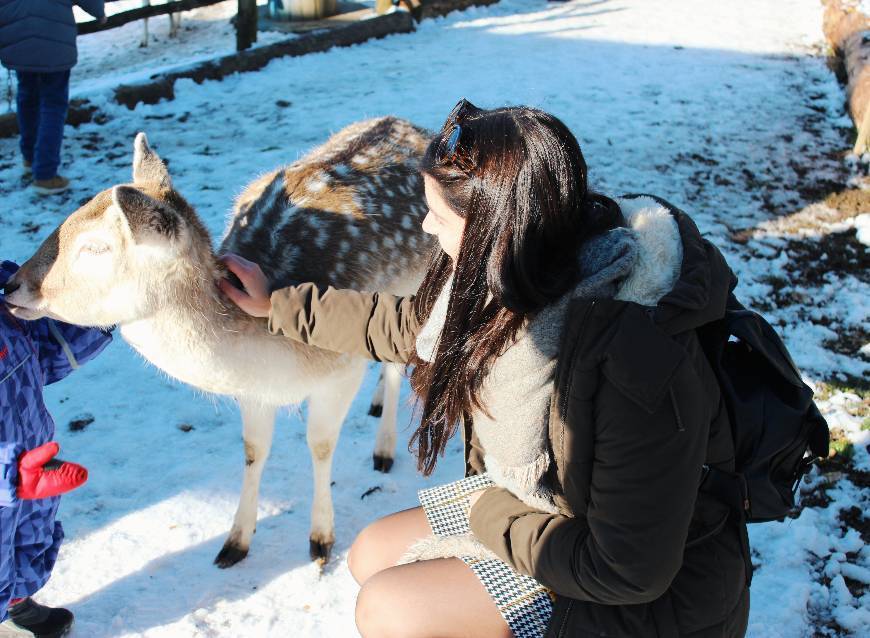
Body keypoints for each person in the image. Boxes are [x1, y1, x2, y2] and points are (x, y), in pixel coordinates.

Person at [220, 101, 750, 637]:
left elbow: (625, 571)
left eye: (441, 218)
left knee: (389, 609)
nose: (427, 228)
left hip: (644, 591)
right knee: (369, 554)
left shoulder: (636, 364)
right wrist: (280, 306)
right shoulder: (529, 265)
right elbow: (411, 327)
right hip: (541, 507)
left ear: (496, 227)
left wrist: (490, 514)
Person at [0, 260, 112, 637]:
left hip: (33, 465)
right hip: (11, 475)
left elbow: (41, 355)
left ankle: (15, 604)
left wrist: (99, 311)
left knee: (27, 542)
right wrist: (7, 477)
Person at [0, 1, 107, 195]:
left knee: (27, 96)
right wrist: (99, 13)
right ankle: (45, 175)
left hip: (18, 38)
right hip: (54, 41)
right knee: (53, 105)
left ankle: (30, 158)